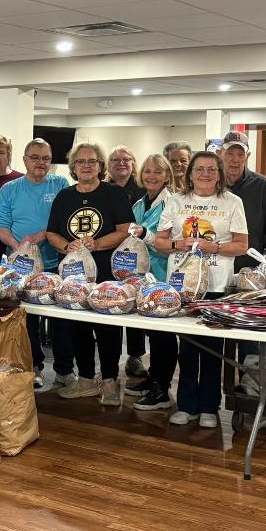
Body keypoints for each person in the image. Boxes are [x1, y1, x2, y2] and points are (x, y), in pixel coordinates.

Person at [155, 152, 248, 428]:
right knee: (187, 347)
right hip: (182, 285)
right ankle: (186, 405)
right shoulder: (175, 201)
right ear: (190, 173)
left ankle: (209, 406)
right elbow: (160, 241)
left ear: (219, 173)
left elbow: (242, 245)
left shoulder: (233, 203)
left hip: (217, 285)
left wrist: (215, 247)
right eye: (199, 169)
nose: (204, 174)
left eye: (210, 169)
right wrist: (177, 244)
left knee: (211, 347)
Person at [47, 143, 133, 405]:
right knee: (78, 327)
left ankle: (109, 382)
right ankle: (85, 379)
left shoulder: (113, 194)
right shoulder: (63, 197)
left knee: (107, 328)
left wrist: (98, 243)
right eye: (81, 161)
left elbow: (126, 228)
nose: (86, 166)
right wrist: (66, 245)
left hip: (106, 272)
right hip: (74, 277)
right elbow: (52, 232)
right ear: (73, 166)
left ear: (100, 166)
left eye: (92, 161)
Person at [0, 138, 69, 388]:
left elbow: (64, 220)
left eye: (46, 158)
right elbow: (2, 227)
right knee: (27, 320)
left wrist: (42, 236)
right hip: (21, 266)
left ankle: (64, 370)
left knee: (61, 319)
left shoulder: (60, 184)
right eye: (35, 157)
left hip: (56, 263)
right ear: (24, 159)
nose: (41, 162)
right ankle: (33, 366)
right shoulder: (9, 188)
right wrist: (20, 249)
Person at [125, 154, 180, 411]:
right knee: (152, 333)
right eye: (147, 171)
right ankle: (153, 378)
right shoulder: (139, 204)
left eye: (158, 172)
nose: (151, 176)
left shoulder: (172, 203)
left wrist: (145, 234)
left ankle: (162, 388)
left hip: (164, 275)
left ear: (167, 175)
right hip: (141, 278)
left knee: (164, 335)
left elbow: (168, 244)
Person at [107, 145, 149, 377]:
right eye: (115, 160)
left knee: (135, 305)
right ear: (108, 165)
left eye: (126, 159)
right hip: (108, 253)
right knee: (112, 303)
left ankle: (135, 356)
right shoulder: (103, 189)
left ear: (133, 163)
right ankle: (110, 360)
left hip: (137, 258)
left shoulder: (144, 190)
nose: (121, 163)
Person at [219, 131, 266, 270]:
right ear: (220, 154)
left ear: (247, 156)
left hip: (250, 267)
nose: (235, 159)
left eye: (240, 154)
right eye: (230, 153)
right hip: (215, 264)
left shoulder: (263, 186)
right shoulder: (211, 184)